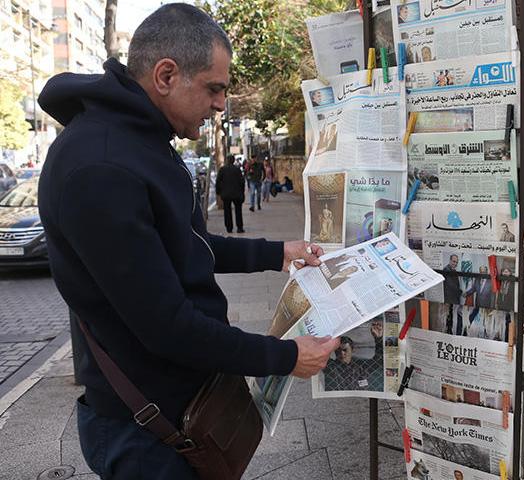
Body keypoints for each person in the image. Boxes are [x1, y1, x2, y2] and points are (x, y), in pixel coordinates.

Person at [37, 5, 339, 479]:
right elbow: (167, 327)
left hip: (180, 408)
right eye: (214, 88)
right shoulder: (100, 165)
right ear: (166, 76)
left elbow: (184, 244)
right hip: (147, 435)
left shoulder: (140, 141)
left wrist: (277, 253)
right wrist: (284, 357)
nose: (221, 104)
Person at [323, 319, 384, 391]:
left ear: (352, 350)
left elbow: (378, 361)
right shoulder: (331, 367)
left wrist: (378, 339)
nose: (342, 353)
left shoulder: (360, 369)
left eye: (345, 350)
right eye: (338, 350)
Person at [215, 154, 245, 233]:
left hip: (226, 194)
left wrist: (218, 192)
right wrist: (242, 192)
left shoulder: (222, 169)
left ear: (227, 160)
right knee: (238, 211)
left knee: (227, 211)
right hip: (237, 194)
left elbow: (218, 181)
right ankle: (239, 227)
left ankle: (229, 227)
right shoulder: (237, 170)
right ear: (233, 161)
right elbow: (242, 182)